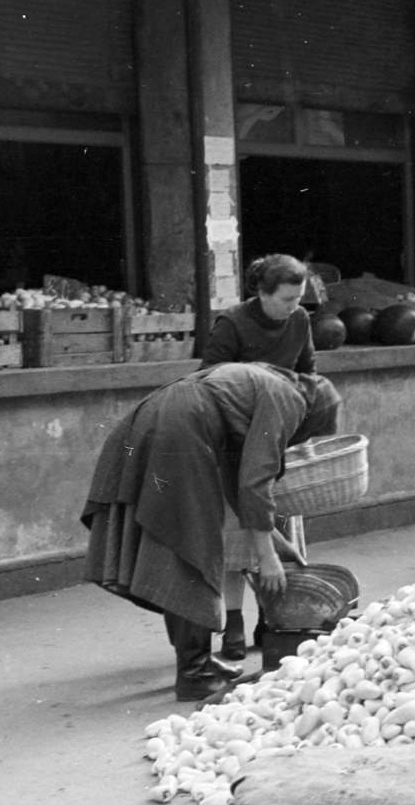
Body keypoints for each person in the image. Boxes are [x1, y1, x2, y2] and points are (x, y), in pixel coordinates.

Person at [81, 363, 342, 702]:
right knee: (192, 548)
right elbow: (254, 482)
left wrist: (278, 545)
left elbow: (237, 480)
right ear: (314, 417)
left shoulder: (269, 381)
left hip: (157, 416)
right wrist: (266, 560)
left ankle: (199, 661)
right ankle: (194, 673)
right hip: (180, 429)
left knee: (176, 544)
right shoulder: (289, 401)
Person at [203, 254, 319, 661]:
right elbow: (209, 383)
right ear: (262, 293)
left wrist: (302, 428)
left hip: (279, 435)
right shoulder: (232, 324)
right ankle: (232, 624)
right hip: (234, 441)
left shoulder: (300, 321)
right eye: (286, 299)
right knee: (238, 540)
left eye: (298, 299)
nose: (293, 308)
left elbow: (308, 373)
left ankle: (273, 618)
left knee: (282, 529)